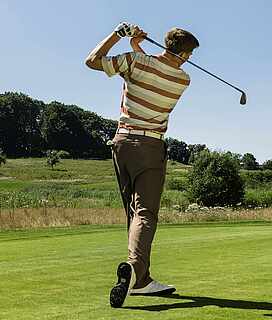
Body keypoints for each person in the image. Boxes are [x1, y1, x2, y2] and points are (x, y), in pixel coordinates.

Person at [85, 22, 199, 308]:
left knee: (134, 213)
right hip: (150, 147)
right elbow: (157, 69)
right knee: (146, 213)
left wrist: (121, 36)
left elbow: (92, 61)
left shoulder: (135, 61)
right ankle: (135, 271)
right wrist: (137, 47)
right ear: (185, 55)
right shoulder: (183, 79)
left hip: (121, 144)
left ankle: (143, 279)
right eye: (190, 55)